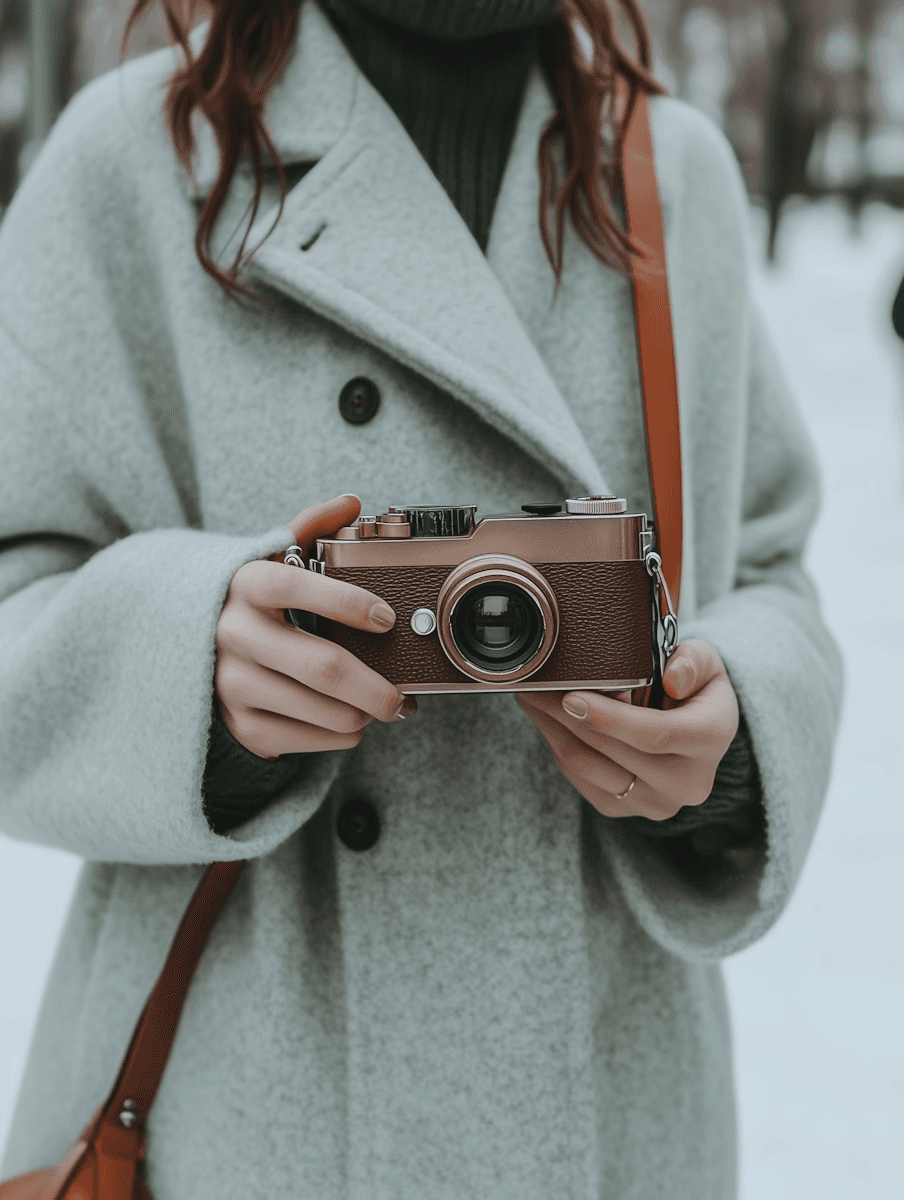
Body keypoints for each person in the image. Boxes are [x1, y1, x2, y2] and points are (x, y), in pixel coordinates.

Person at [0, 1, 841, 1197]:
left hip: (604, 1092)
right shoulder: (140, 159)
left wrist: (730, 735)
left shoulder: (670, 172)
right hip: (248, 1104)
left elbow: (767, 566)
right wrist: (197, 666)